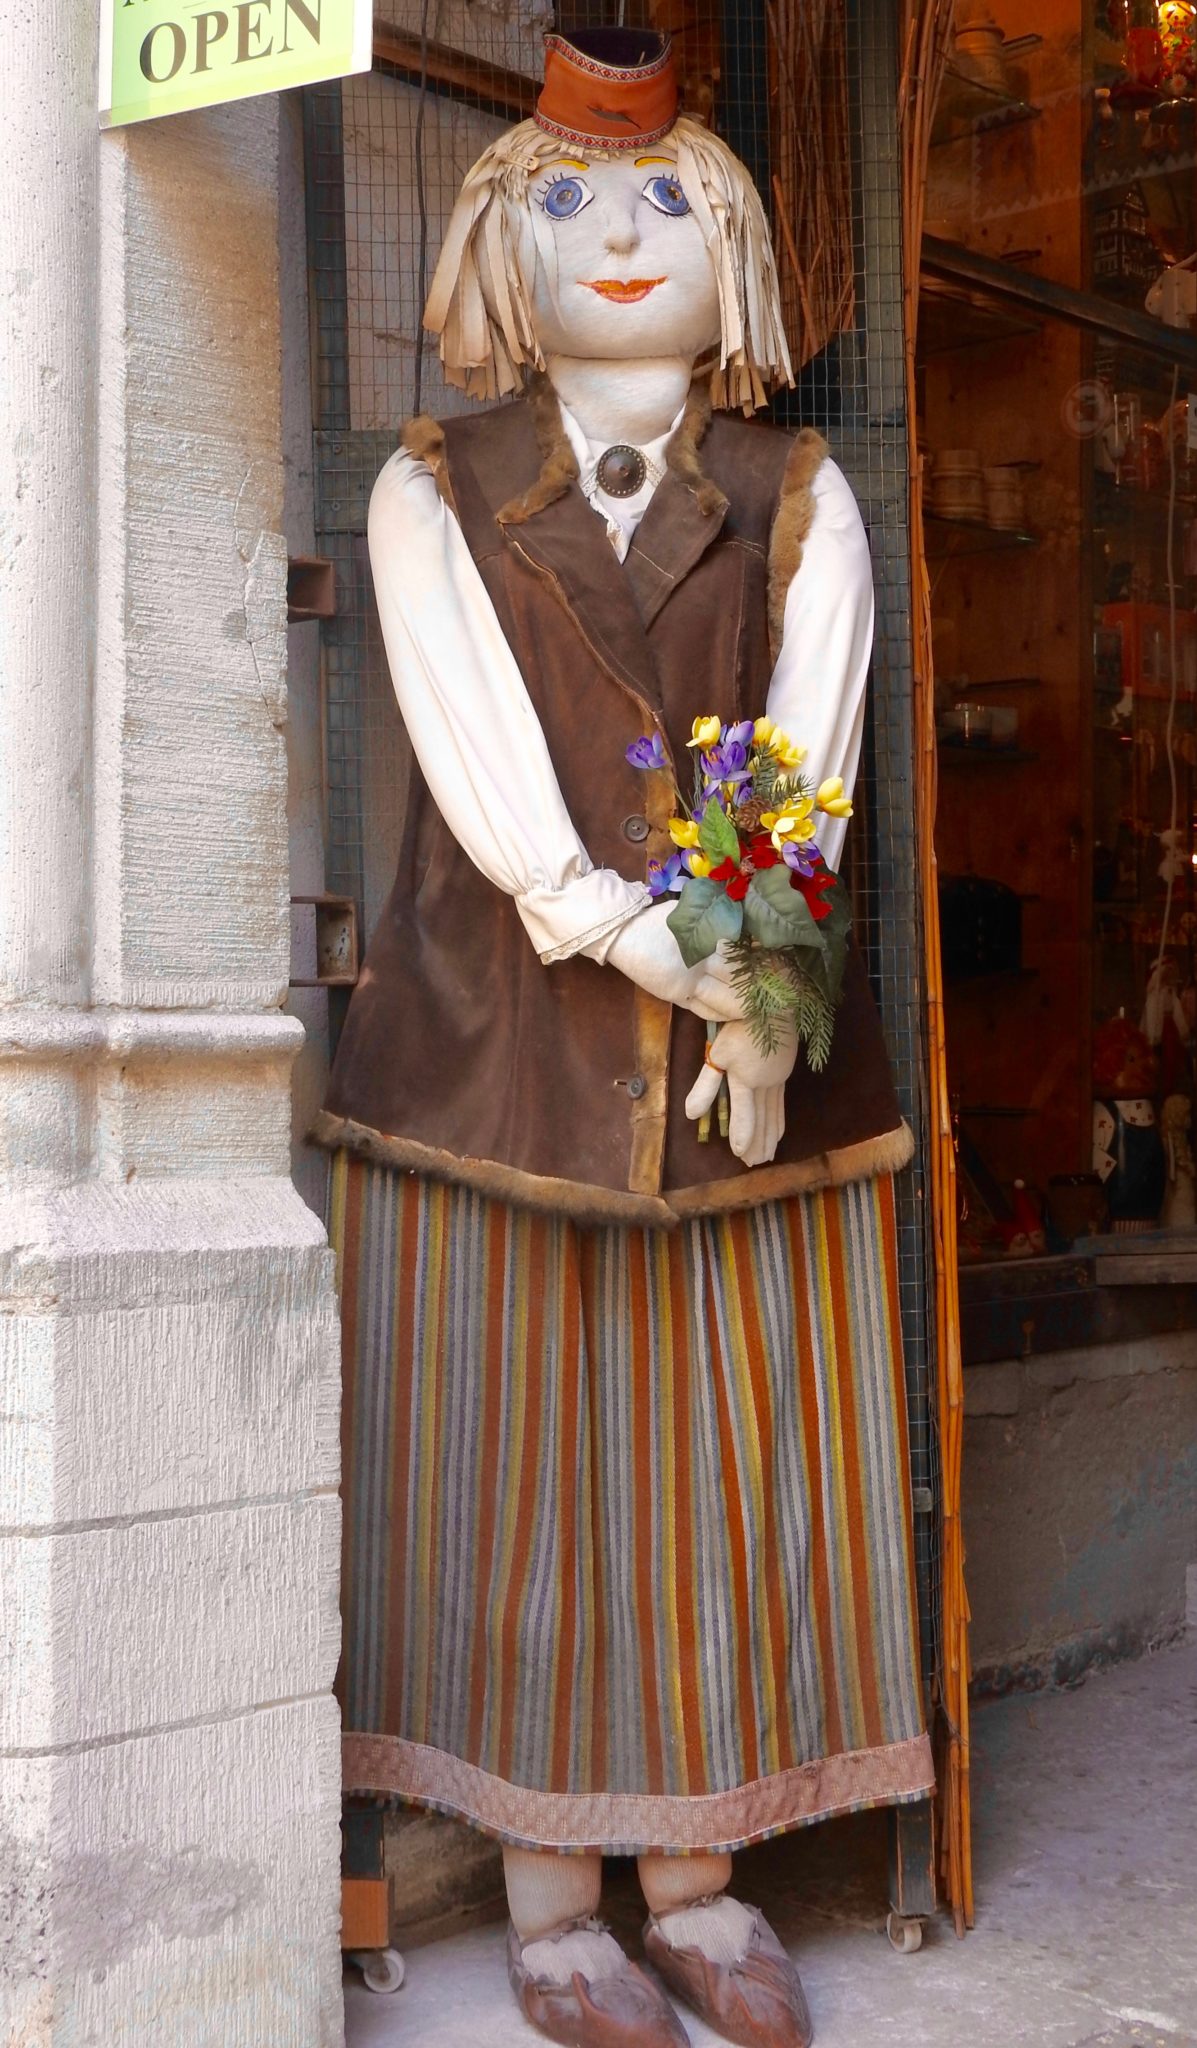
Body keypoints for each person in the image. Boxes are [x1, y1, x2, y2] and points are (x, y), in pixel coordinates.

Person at [317, 30, 932, 2047]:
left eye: (665, 198)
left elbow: (807, 748)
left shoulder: (797, 492)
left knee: (722, 1462)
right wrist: (626, 934)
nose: (614, 236)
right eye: (571, 198)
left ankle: (703, 1875)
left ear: (733, 248)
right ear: (499, 237)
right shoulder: (434, 491)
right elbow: (475, 757)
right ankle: (549, 1898)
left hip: (728, 1070)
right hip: (501, 1053)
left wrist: (753, 992)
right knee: (518, 1475)